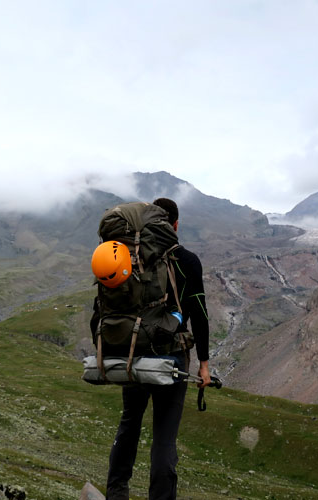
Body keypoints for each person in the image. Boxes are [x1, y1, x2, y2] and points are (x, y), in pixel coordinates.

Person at [105, 197, 211, 500]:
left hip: (135, 354)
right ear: (175, 226)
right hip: (172, 358)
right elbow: (200, 313)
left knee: (129, 424)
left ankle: (116, 494)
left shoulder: (132, 259)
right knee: (164, 438)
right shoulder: (187, 261)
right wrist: (203, 364)